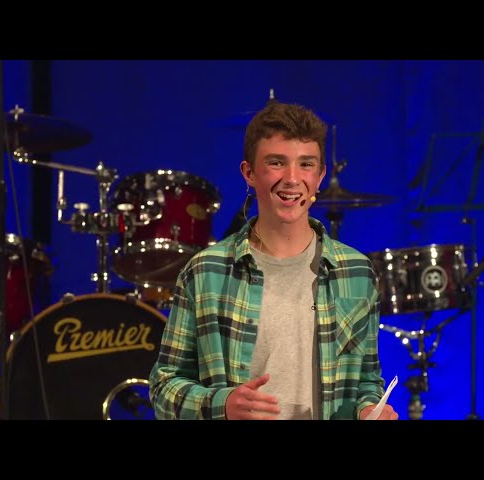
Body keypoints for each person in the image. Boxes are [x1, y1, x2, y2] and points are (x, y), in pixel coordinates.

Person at [149, 101, 398, 420]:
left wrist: (368, 410)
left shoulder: (357, 272)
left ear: (320, 175)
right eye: (277, 163)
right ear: (249, 173)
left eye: (306, 164)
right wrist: (223, 404)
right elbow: (163, 387)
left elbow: (367, 381)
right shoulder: (205, 271)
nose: (292, 179)